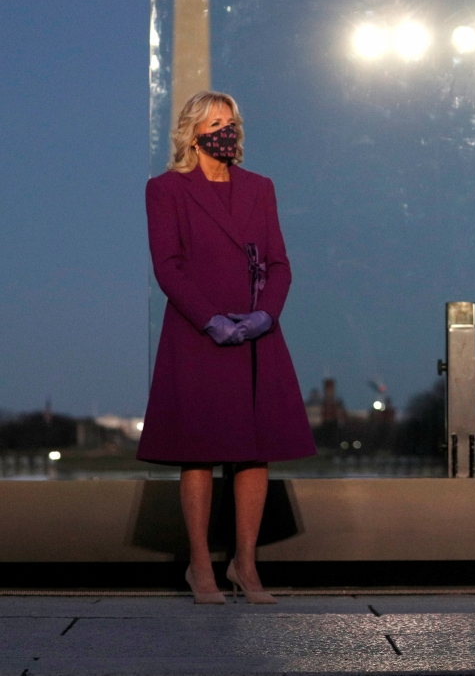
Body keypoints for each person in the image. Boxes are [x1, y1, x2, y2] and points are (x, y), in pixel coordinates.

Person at [137, 91, 315, 604]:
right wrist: (209, 319)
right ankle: (200, 567)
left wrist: (265, 315)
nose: (225, 130)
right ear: (193, 133)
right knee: (198, 453)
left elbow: (279, 263)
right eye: (215, 123)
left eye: (230, 121)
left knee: (254, 453)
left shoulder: (260, 187)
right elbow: (167, 266)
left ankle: (245, 565)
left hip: (256, 333)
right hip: (198, 333)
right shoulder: (165, 189)